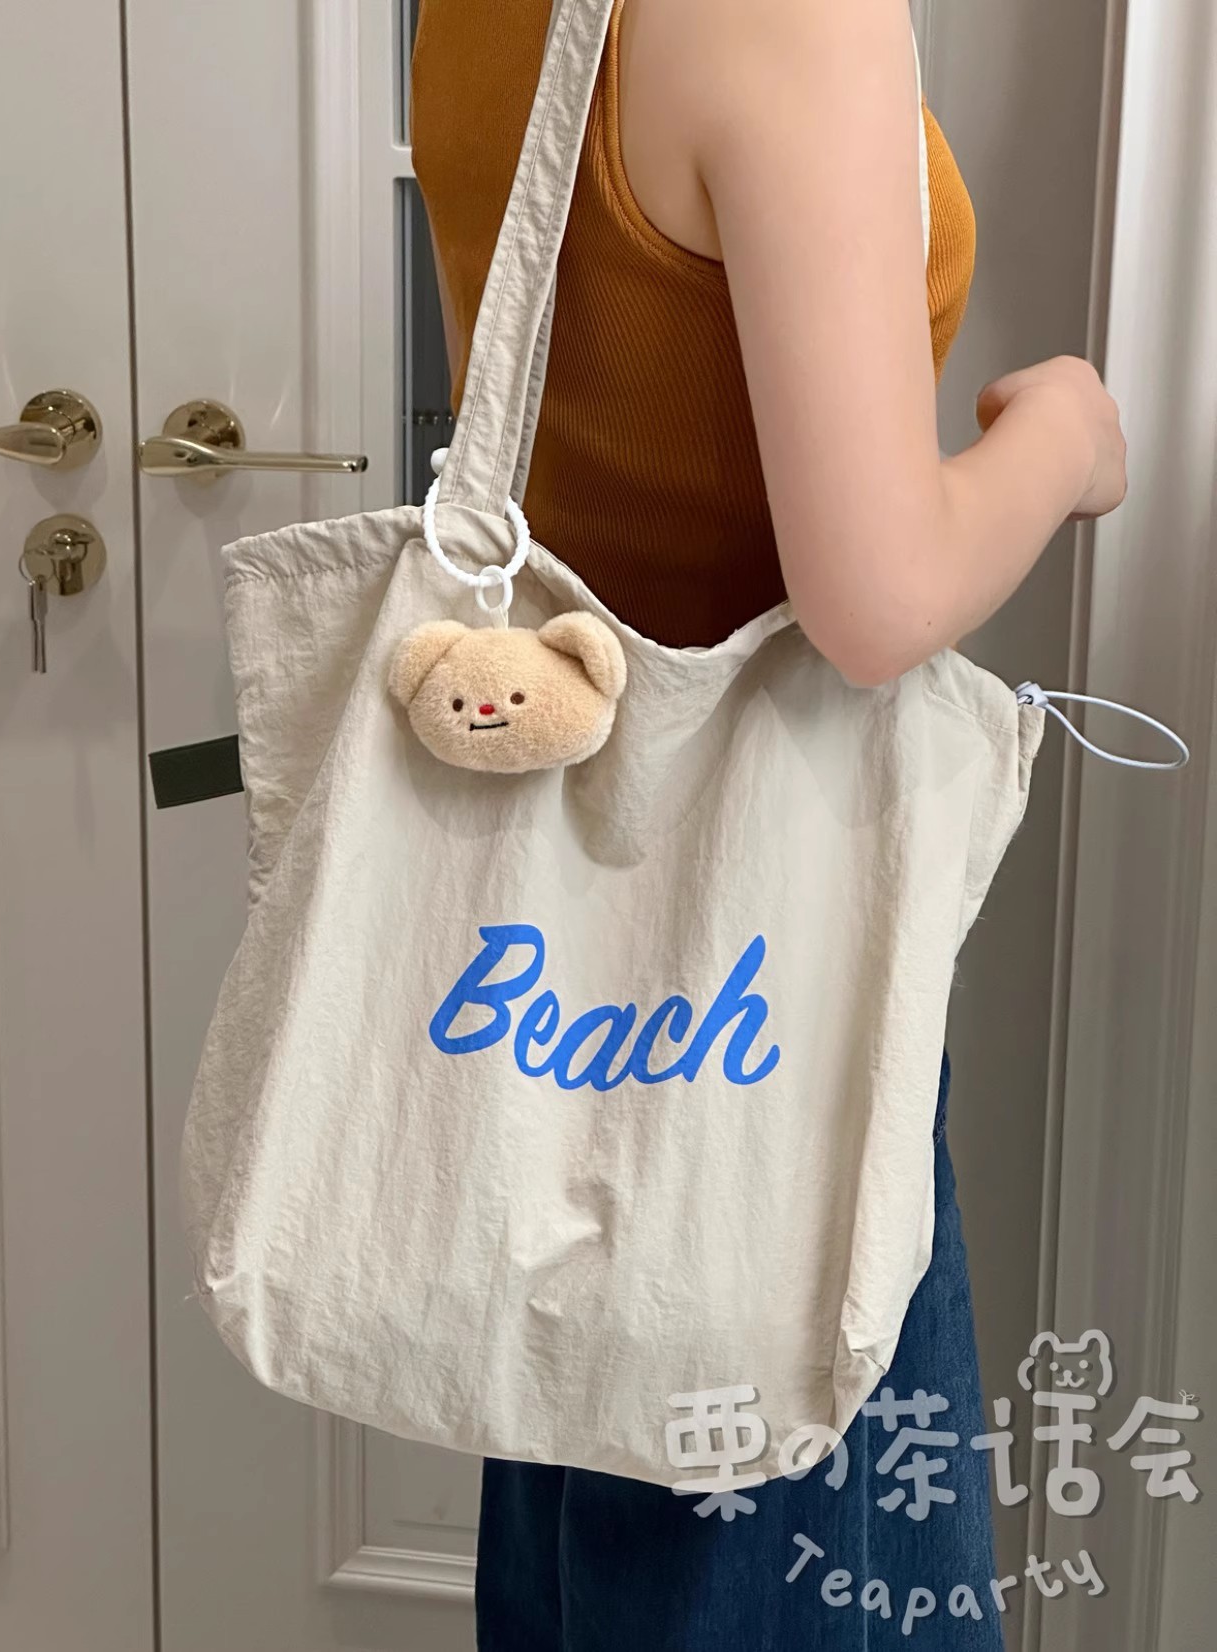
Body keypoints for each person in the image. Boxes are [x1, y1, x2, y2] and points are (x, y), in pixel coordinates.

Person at [410, 0, 1127, 1645]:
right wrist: (1065, 437)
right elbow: (874, 599)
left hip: (563, 934)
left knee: (597, 1498)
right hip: (766, 955)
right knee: (791, 1531)